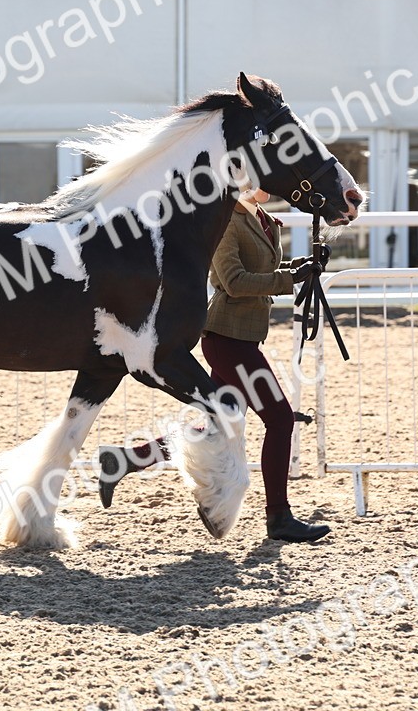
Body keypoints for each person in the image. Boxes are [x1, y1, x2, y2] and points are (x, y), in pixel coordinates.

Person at [96, 188, 331, 543]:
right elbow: (233, 281)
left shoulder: (262, 219)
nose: (270, 185)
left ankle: (125, 459)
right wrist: (290, 280)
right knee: (280, 419)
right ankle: (279, 517)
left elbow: (262, 270)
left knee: (218, 427)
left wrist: (301, 267)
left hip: (243, 338)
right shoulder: (227, 221)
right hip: (229, 341)